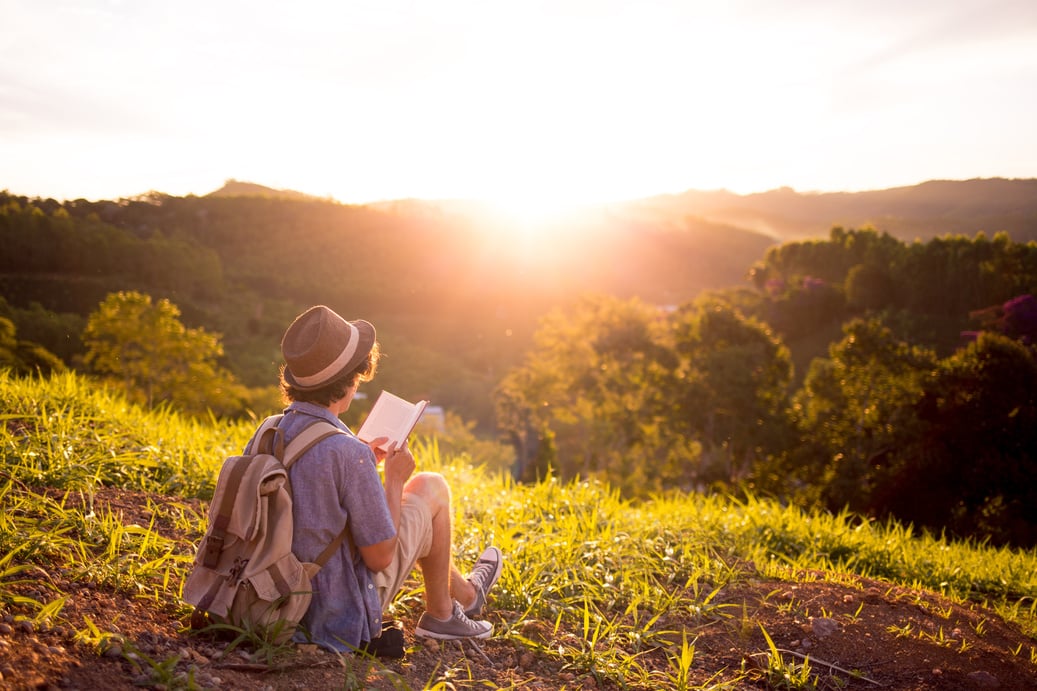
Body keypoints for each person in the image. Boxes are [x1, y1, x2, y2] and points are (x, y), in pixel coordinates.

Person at [258, 304, 503, 653]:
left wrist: (364, 466)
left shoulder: (270, 430)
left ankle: (463, 594)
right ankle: (445, 611)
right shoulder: (346, 452)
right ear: (350, 382)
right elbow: (380, 557)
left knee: (418, 498)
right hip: (332, 613)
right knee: (431, 487)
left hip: (269, 593)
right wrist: (393, 479)